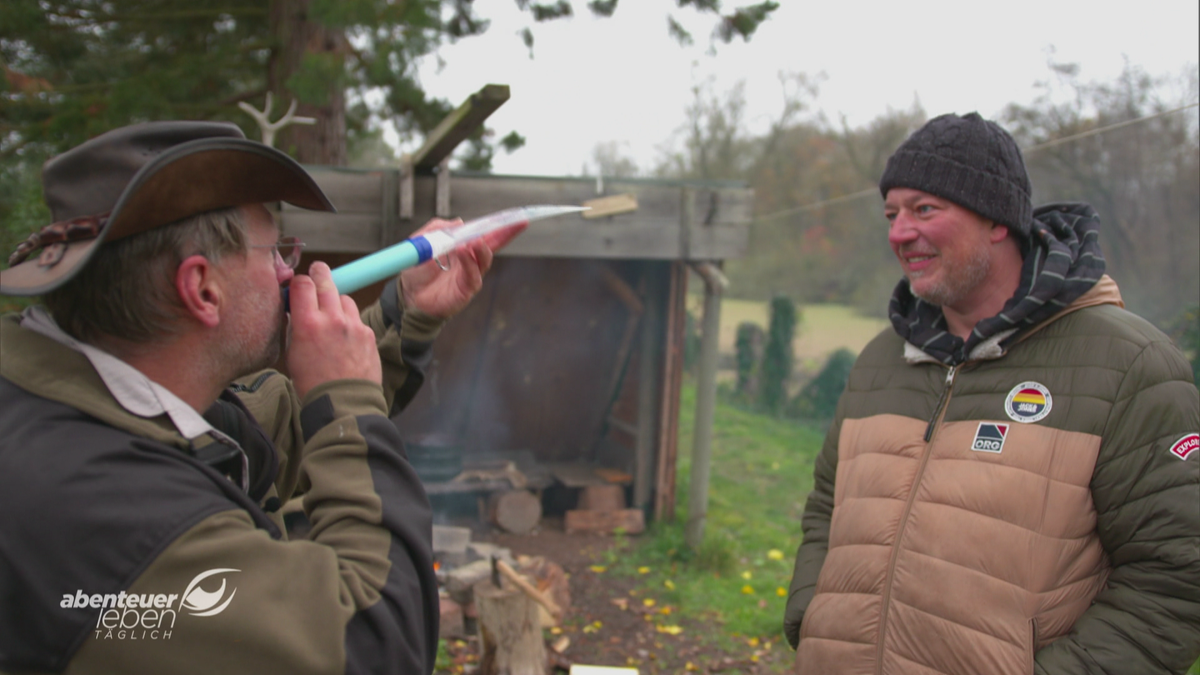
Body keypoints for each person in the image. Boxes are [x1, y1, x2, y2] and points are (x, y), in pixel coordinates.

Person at [0, 121, 522, 674]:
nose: (290, 269)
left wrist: (406, 313)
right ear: (202, 288)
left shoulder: (90, 392)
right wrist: (348, 402)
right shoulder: (113, 515)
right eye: (275, 250)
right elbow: (378, 644)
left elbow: (264, 432)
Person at [783, 112, 1199, 674]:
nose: (899, 233)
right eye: (892, 213)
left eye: (924, 209)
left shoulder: (1128, 364)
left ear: (998, 219)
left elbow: (1175, 577)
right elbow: (827, 510)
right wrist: (812, 618)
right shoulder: (882, 359)